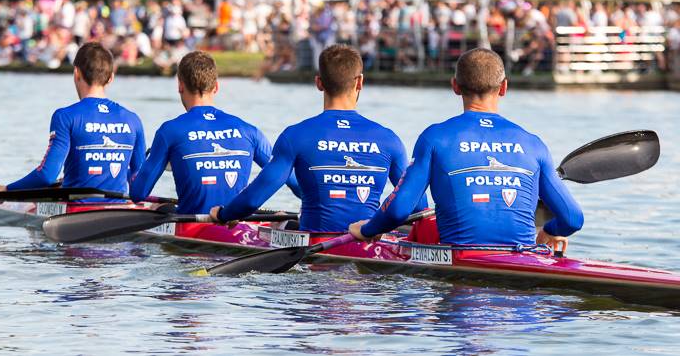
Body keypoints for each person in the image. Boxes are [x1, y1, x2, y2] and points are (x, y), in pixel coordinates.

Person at [349, 48, 583, 248]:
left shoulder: (435, 138)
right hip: (523, 262)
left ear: (455, 86)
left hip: (461, 268)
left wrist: (367, 230)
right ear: (503, 88)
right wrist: (549, 231)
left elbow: (398, 211)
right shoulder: (534, 143)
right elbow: (572, 219)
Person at [210, 44, 426, 232]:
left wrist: (223, 214)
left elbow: (254, 199)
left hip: (315, 253)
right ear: (360, 82)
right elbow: (418, 206)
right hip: (368, 239)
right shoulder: (390, 140)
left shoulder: (295, 135)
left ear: (319, 83)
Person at [129, 51, 300, 214]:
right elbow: (294, 182)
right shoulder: (249, 130)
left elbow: (138, 194)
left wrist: (138, 168)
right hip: (236, 221)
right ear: (216, 87)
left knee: (158, 209)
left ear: (180, 86)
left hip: (194, 225)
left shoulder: (169, 131)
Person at [0, 42, 146, 198]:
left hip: (76, 211)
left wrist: (7, 190)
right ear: (111, 78)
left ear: (76, 73)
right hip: (120, 209)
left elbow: (47, 175)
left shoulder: (65, 116)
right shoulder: (133, 120)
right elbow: (139, 179)